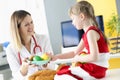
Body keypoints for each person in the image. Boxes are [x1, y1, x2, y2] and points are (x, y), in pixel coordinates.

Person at [51, 1, 110, 80]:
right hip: (97, 68)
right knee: (62, 72)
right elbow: (74, 53)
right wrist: (56, 57)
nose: (72, 23)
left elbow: (94, 57)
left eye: (73, 19)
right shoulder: (87, 34)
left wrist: (78, 58)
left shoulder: (91, 32)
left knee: (59, 76)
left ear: (81, 16)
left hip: (95, 69)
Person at [6, 10, 54, 80]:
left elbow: (52, 65)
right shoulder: (11, 49)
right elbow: (16, 77)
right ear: (18, 29)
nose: (31, 26)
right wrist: (23, 69)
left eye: (31, 22)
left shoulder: (43, 39)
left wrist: (46, 64)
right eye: (26, 24)